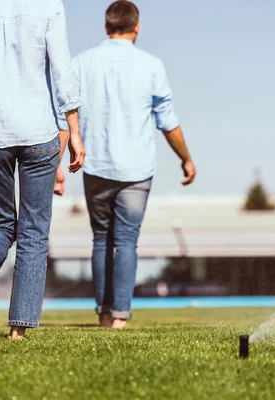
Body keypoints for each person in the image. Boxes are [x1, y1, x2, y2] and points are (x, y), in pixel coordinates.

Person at [0, 0, 85, 340]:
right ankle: (18, 330)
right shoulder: (49, 5)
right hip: (39, 133)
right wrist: (76, 131)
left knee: (0, 222)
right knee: (34, 232)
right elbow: (62, 69)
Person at [56, 0, 196, 328]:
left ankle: (104, 314)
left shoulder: (81, 63)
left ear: (107, 27)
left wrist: (57, 165)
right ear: (137, 27)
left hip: (95, 166)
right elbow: (168, 121)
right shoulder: (152, 66)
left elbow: (65, 118)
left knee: (101, 239)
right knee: (127, 241)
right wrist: (186, 159)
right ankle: (121, 317)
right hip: (137, 169)